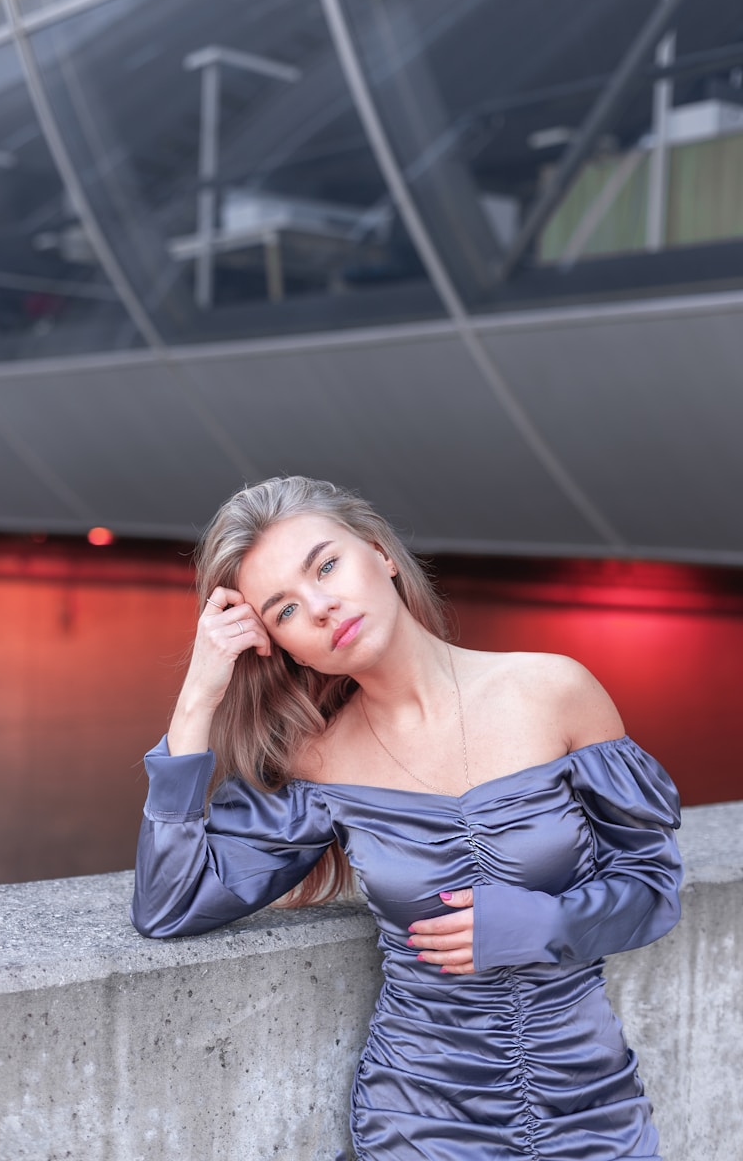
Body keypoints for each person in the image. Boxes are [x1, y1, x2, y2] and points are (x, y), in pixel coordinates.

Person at [131, 475, 682, 1161]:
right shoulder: (318, 761)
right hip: (422, 1124)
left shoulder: (552, 690)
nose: (324, 607)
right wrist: (197, 699)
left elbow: (654, 886)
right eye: (287, 610)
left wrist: (544, 923)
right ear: (283, 646)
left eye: (327, 565)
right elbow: (168, 903)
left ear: (380, 553)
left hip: (591, 1110)